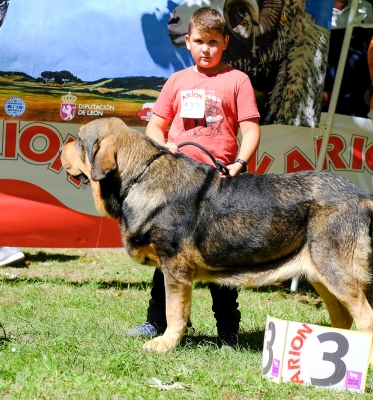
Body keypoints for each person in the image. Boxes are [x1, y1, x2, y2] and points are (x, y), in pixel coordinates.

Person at [126, 7, 261, 350]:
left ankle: (228, 332)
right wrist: (165, 145)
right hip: (177, 188)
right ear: (187, 41)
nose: (206, 49)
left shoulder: (237, 81)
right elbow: (155, 125)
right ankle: (156, 322)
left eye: (213, 42)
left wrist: (241, 162)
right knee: (168, 256)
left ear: (226, 43)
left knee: (221, 260)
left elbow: (250, 128)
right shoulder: (177, 81)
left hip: (220, 185)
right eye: (199, 41)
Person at [323, 0, 373, 117]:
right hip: (329, 93)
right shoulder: (315, 10)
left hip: (360, 93)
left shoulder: (364, 7)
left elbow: (370, 48)